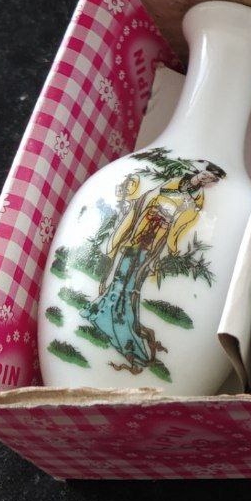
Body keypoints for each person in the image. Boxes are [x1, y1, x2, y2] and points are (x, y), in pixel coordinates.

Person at [84, 160, 225, 374]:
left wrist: (173, 249)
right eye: (206, 175)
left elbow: (180, 227)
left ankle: (123, 321)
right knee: (123, 271)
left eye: (211, 180)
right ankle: (106, 313)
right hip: (143, 227)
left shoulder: (198, 200)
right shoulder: (176, 181)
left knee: (133, 280)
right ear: (200, 171)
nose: (206, 180)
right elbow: (151, 197)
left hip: (156, 239)